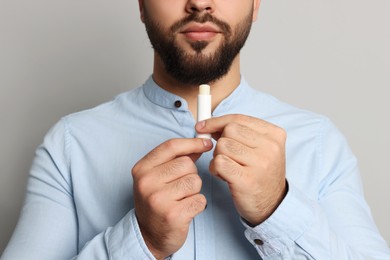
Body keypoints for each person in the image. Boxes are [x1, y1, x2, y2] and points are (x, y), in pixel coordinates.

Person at [2, 0, 390, 259]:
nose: (200, 2)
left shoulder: (319, 142)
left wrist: (278, 209)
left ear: (255, 4)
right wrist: (142, 242)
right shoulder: (70, 146)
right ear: (141, 4)